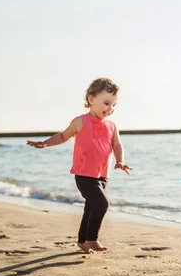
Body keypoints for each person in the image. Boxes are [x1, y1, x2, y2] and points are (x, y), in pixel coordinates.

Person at [27, 78, 132, 254]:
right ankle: (92, 239)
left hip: (102, 175)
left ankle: (82, 241)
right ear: (91, 99)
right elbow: (62, 136)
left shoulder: (112, 125)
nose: (110, 109)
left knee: (90, 207)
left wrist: (120, 161)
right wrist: (45, 143)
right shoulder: (81, 121)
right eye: (106, 103)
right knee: (102, 204)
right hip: (84, 175)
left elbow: (117, 146)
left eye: (114, 105)